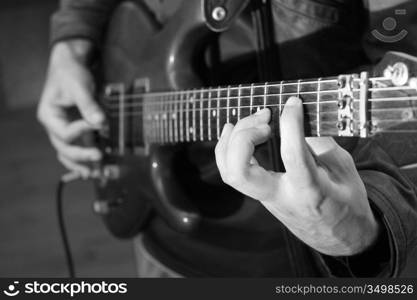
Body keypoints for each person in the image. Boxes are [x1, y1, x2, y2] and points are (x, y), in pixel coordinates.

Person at [38, 0, 417, 277]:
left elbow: (403, 36)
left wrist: (362, 231)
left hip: (283, 256)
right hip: (160, 242)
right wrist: (71, 40)